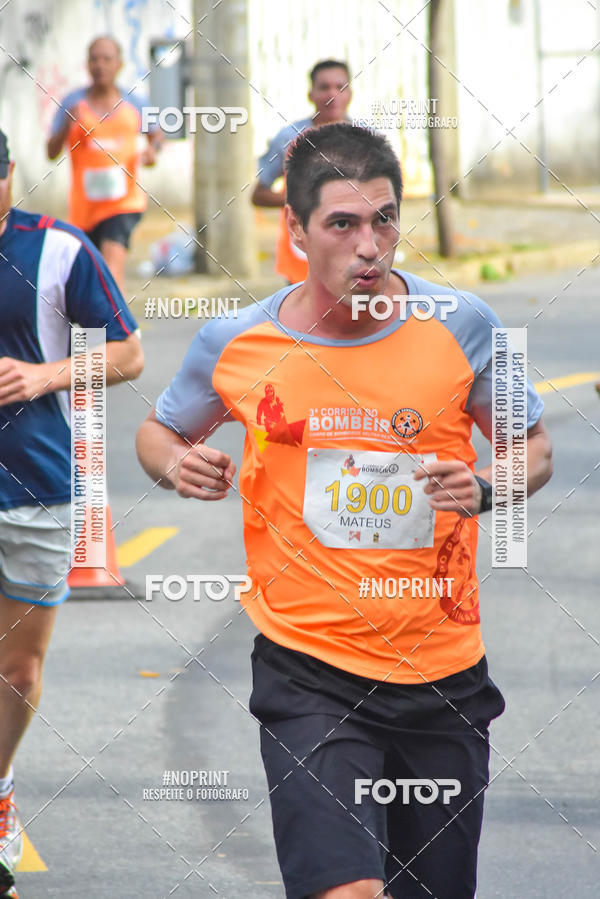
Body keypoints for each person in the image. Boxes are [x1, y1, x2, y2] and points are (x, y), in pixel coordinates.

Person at [136, 123, 553, 899]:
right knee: (348, 891)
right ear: (295, 230)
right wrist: (174, 463)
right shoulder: (238, 341)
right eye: (343, 223)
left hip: (441, 676)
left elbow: (532, 446)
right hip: (309, 672)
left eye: (385, 219)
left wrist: (488, 486)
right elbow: (159, 431)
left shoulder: (465, 323)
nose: (370, 245)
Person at [0, 129, 143, 898]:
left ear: (10, 174)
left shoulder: (59, 250)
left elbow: (127, 353)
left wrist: (45, 375)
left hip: (37, 490)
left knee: (18, 667)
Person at [47, 35, 162, 289]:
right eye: (94, 59)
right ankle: (105, 315)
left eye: (107, 59)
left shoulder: (134, 103)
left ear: (119, 64)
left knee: (111, 268)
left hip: (124, 204)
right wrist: (67, 125)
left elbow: (156, 135)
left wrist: (151, 152)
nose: (100, 65)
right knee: (88, 280)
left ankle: (114, 315)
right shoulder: (72, 103)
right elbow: (51, 152)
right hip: (84, 210)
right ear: (87, 64)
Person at [251, 59, 352, 284]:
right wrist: (305, 201)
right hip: (302, 262)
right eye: (324, 87)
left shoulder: (367, 139)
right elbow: (258, 195)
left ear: (350, 93)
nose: (332, 94)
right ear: (311, 94)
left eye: (340, 87)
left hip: (351, 257)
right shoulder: (289, 138)